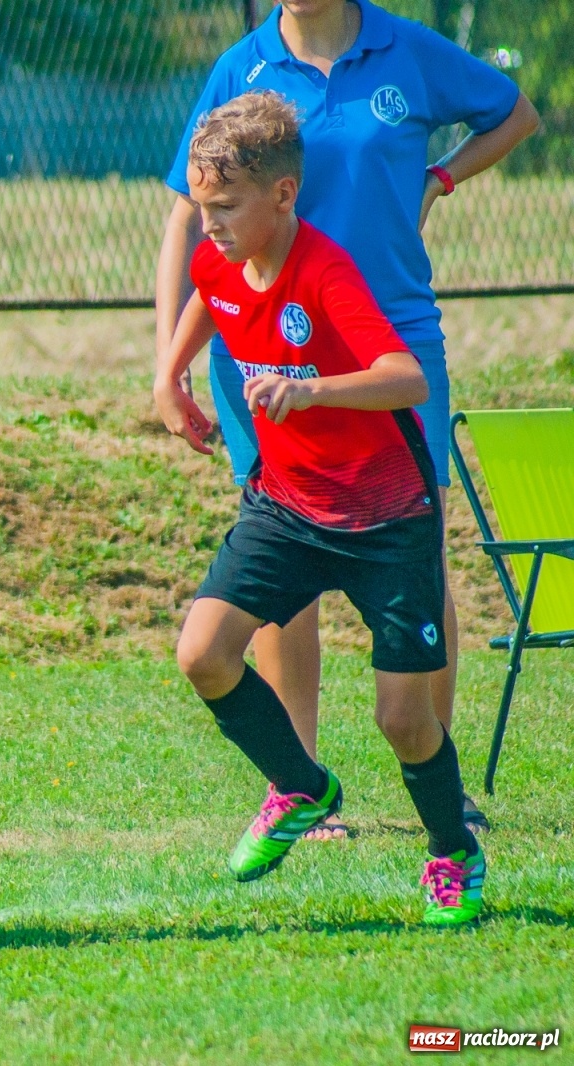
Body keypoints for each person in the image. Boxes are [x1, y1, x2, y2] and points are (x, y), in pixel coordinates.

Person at [155, 0, 539, 840]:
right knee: (282, 553)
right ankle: (299, 786)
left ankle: (442, 782)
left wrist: (440, 178)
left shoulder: (408, 50)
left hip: (390, 345)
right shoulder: (243, 67)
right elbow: (193, 210)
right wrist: (166, 360)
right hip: (269, 355)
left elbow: (515, 110)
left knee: (415, 546)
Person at [159, 92, 483, 925]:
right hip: (289, 506)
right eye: (202, 207)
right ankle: (301, 788)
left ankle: (452, 853)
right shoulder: (218, 258)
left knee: (403, 721)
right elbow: (208, 294)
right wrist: (170, 371)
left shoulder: (327, 272)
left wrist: (312, 388)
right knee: (203, 653)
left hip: (388, 518)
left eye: (226, 207)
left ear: (284, 196)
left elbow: (406, 378)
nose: (211, 225)